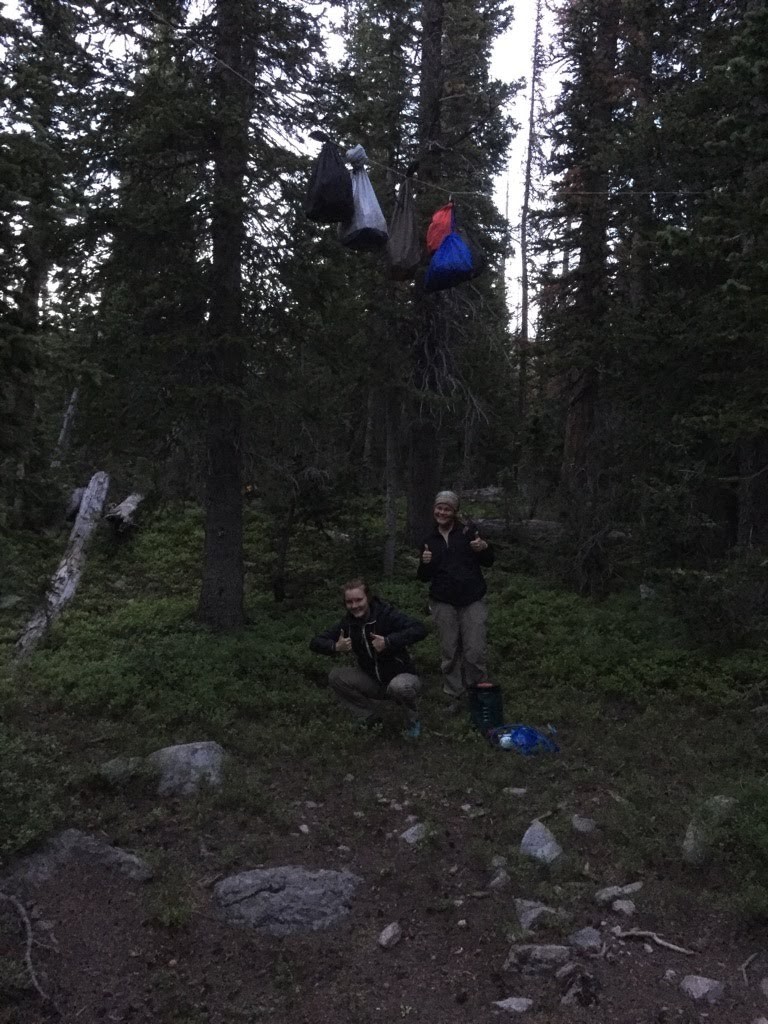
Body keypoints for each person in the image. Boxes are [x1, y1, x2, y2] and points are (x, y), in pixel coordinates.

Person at [310, 578, 428, 737]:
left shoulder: (386, 615)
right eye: (349, 602)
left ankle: (413, 722)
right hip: (373, 680)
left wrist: (388, 642)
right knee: (336, 676)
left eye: (359, 600)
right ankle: (369, 717)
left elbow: (420, 629)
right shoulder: (348, 624)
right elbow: (315, 642)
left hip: (403, 677)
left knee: (399, 686)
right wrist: (335, 647)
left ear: (368, 598)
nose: (354, 606)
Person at [417, 490, 496, 718]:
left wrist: (484, 548)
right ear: (434, 509)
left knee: (474, 651)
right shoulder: (428, 539)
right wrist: (424, 564)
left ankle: (479, 694)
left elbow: (489, 561)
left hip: (472, 600)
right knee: (449, 652)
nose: (442, 512)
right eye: (439, 508)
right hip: (443, 602)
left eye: (447, 508)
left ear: (455, 511)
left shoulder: (468, 532)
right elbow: (423, 576)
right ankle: (454, 695)